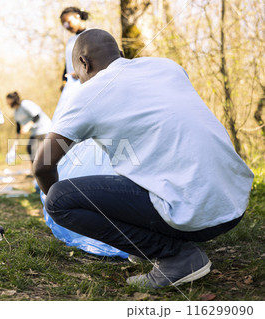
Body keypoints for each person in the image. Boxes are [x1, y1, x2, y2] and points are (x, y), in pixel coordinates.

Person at [33, 29, 254, 289]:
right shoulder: (167, 67)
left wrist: (52, 204)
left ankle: (176, 256)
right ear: (121, 55)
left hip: (195, 215)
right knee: (129, 165)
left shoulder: (87, 94)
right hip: (233, 204)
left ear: (84, 62)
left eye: (77, 72)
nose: (78, 79)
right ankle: (153, 237)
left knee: (60, 199)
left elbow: (43, 165)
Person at [6, 92, 51, 165]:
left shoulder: (25, 104)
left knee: (34, 150)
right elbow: (18, 128)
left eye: (8, 101)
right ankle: (36, 171)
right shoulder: (16, 112)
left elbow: (37, 116)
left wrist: (28, 126)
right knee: (30, 149)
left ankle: (38, 172)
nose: (7, 103)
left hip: (44, 128)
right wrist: (16, 143)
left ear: (13, 100)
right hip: (35, 132)